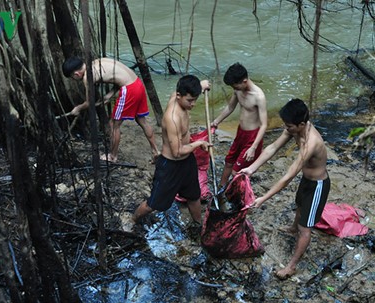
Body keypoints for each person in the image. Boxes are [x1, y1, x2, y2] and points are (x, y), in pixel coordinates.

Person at [239, 98, 330, 280]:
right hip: (306, 179)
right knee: (299, 206)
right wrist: (251, 168)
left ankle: (291, 266)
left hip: (318, 185)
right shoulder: (295, 129)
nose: (286, 129)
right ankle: (292, 228)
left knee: (306, 228)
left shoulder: (311, 143)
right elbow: (272, 147)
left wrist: (263, 198)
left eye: (288, 126)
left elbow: (288, 176)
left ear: (301, 124)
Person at [132, 75, 211, 227]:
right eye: (190, 100)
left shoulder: (179, 95)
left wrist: (202, 85)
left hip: (187, 161)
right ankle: (133, 220)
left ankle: (198, 224)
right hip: (170, 165)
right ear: (179, 96)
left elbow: (195, 86)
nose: (193, 104)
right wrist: (199, 143)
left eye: (195, 99)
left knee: (194, 196)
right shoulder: (173, 118)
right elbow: (177, 152)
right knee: (154, 204)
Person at [62, 57, 159, 163]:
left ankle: (113, 156)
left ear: (76, 74)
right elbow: (119, 78)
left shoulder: (88, 77)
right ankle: (156, 151)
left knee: (113, 124)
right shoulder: (96, 62)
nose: (74, 79)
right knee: (142, 121)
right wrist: (109, 95)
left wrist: (77, 108)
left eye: (72, 77)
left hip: (129, 90)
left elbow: (89, 102)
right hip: (137, 84)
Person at [211, 63, 267, 189]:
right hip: (240, 132)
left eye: (235, 85)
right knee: (229, 162)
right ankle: (221, 188)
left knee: (237, 170)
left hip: (252, 137)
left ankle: (235, 195)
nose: (234, 88)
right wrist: (216, 121)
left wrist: (253, 147)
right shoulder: (238, 90)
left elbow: (264, 125)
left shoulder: (259, 96)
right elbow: (230, 107)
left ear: (244, 81)